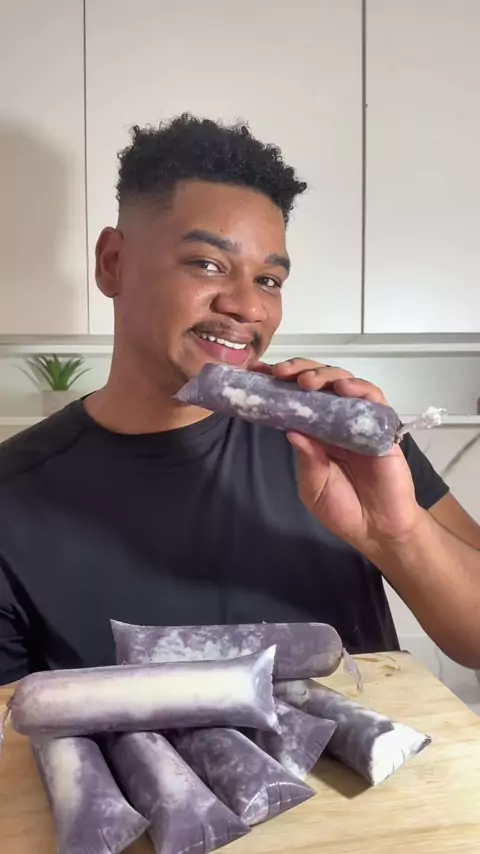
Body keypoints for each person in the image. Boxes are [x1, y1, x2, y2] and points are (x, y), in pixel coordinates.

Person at [0, 115, 479, 687]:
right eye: (207, 264)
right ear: (113, 263)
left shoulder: (344, 441)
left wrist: (395, 534)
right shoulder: (13, 498)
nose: (249, 307)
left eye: (269, 280)